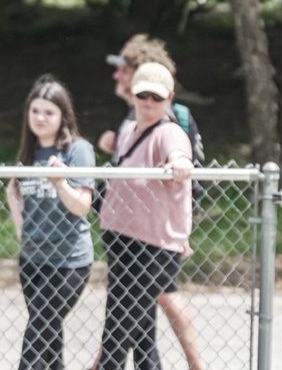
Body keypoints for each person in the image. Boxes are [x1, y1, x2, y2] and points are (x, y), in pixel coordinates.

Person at [98, 35, 205, 370]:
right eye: (141, 94)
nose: (147, 100)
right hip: (123, 235)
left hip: (155, 240)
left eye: (154, 96)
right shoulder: (129, 126)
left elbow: (179, 152)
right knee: (141, 328)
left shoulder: (170, 127)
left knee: (122, 322)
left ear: (167, 98)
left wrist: (179, 164)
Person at [5, 75, 94, 370]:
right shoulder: (30, 152)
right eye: (35, 111)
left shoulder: (77, 150)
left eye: (49, 112)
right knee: (49, 340)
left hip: (68, 262)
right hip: (32, 260)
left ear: (63, 115)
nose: (41, 118)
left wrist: (61, 184)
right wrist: (21, 227)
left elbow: (82, 206)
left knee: (35, 338)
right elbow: (14, 191)